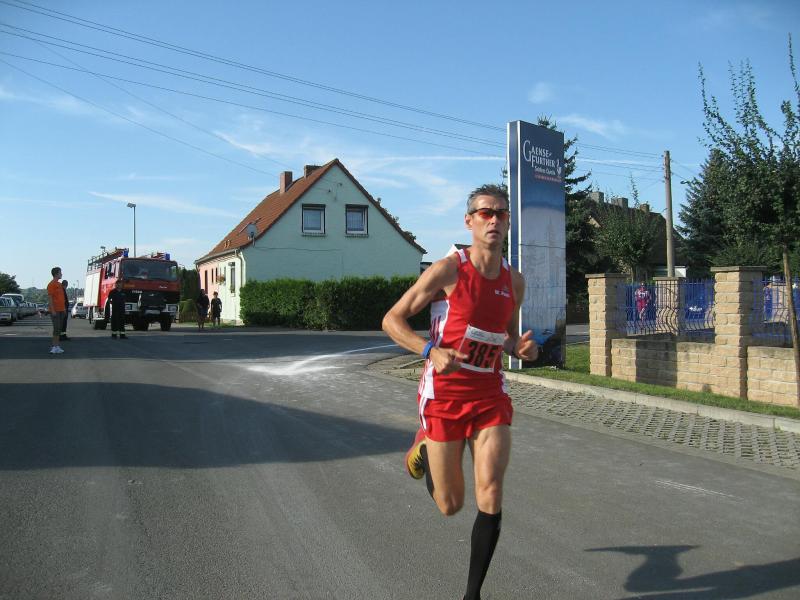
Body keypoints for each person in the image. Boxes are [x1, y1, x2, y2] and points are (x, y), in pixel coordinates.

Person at [382, 184, 538, 600]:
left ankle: (472, 595)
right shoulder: (448, 271)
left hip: (489, 394)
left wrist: (519, 348)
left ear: (508, 222)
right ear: (469, 221)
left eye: (501, 213)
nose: (494, 219)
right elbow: (392, 320)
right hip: (445, 395)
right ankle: (422, 448)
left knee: (491, 491)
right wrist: (429, 351)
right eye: (485, 213)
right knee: (450, 504)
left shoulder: (514, 281)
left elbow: (506, 336)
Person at [46, 266, 66, 354]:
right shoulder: (51, 284)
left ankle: (57, 346)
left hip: (61, 310)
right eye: (60, 272)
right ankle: (54, 347)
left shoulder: (60, 285)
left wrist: (64, 309)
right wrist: (53, 310)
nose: (61, 274)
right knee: (56, 328)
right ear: (56, 274)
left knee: (59, 329)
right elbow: (50, 299)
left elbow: (62, 298)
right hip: (55, 310)